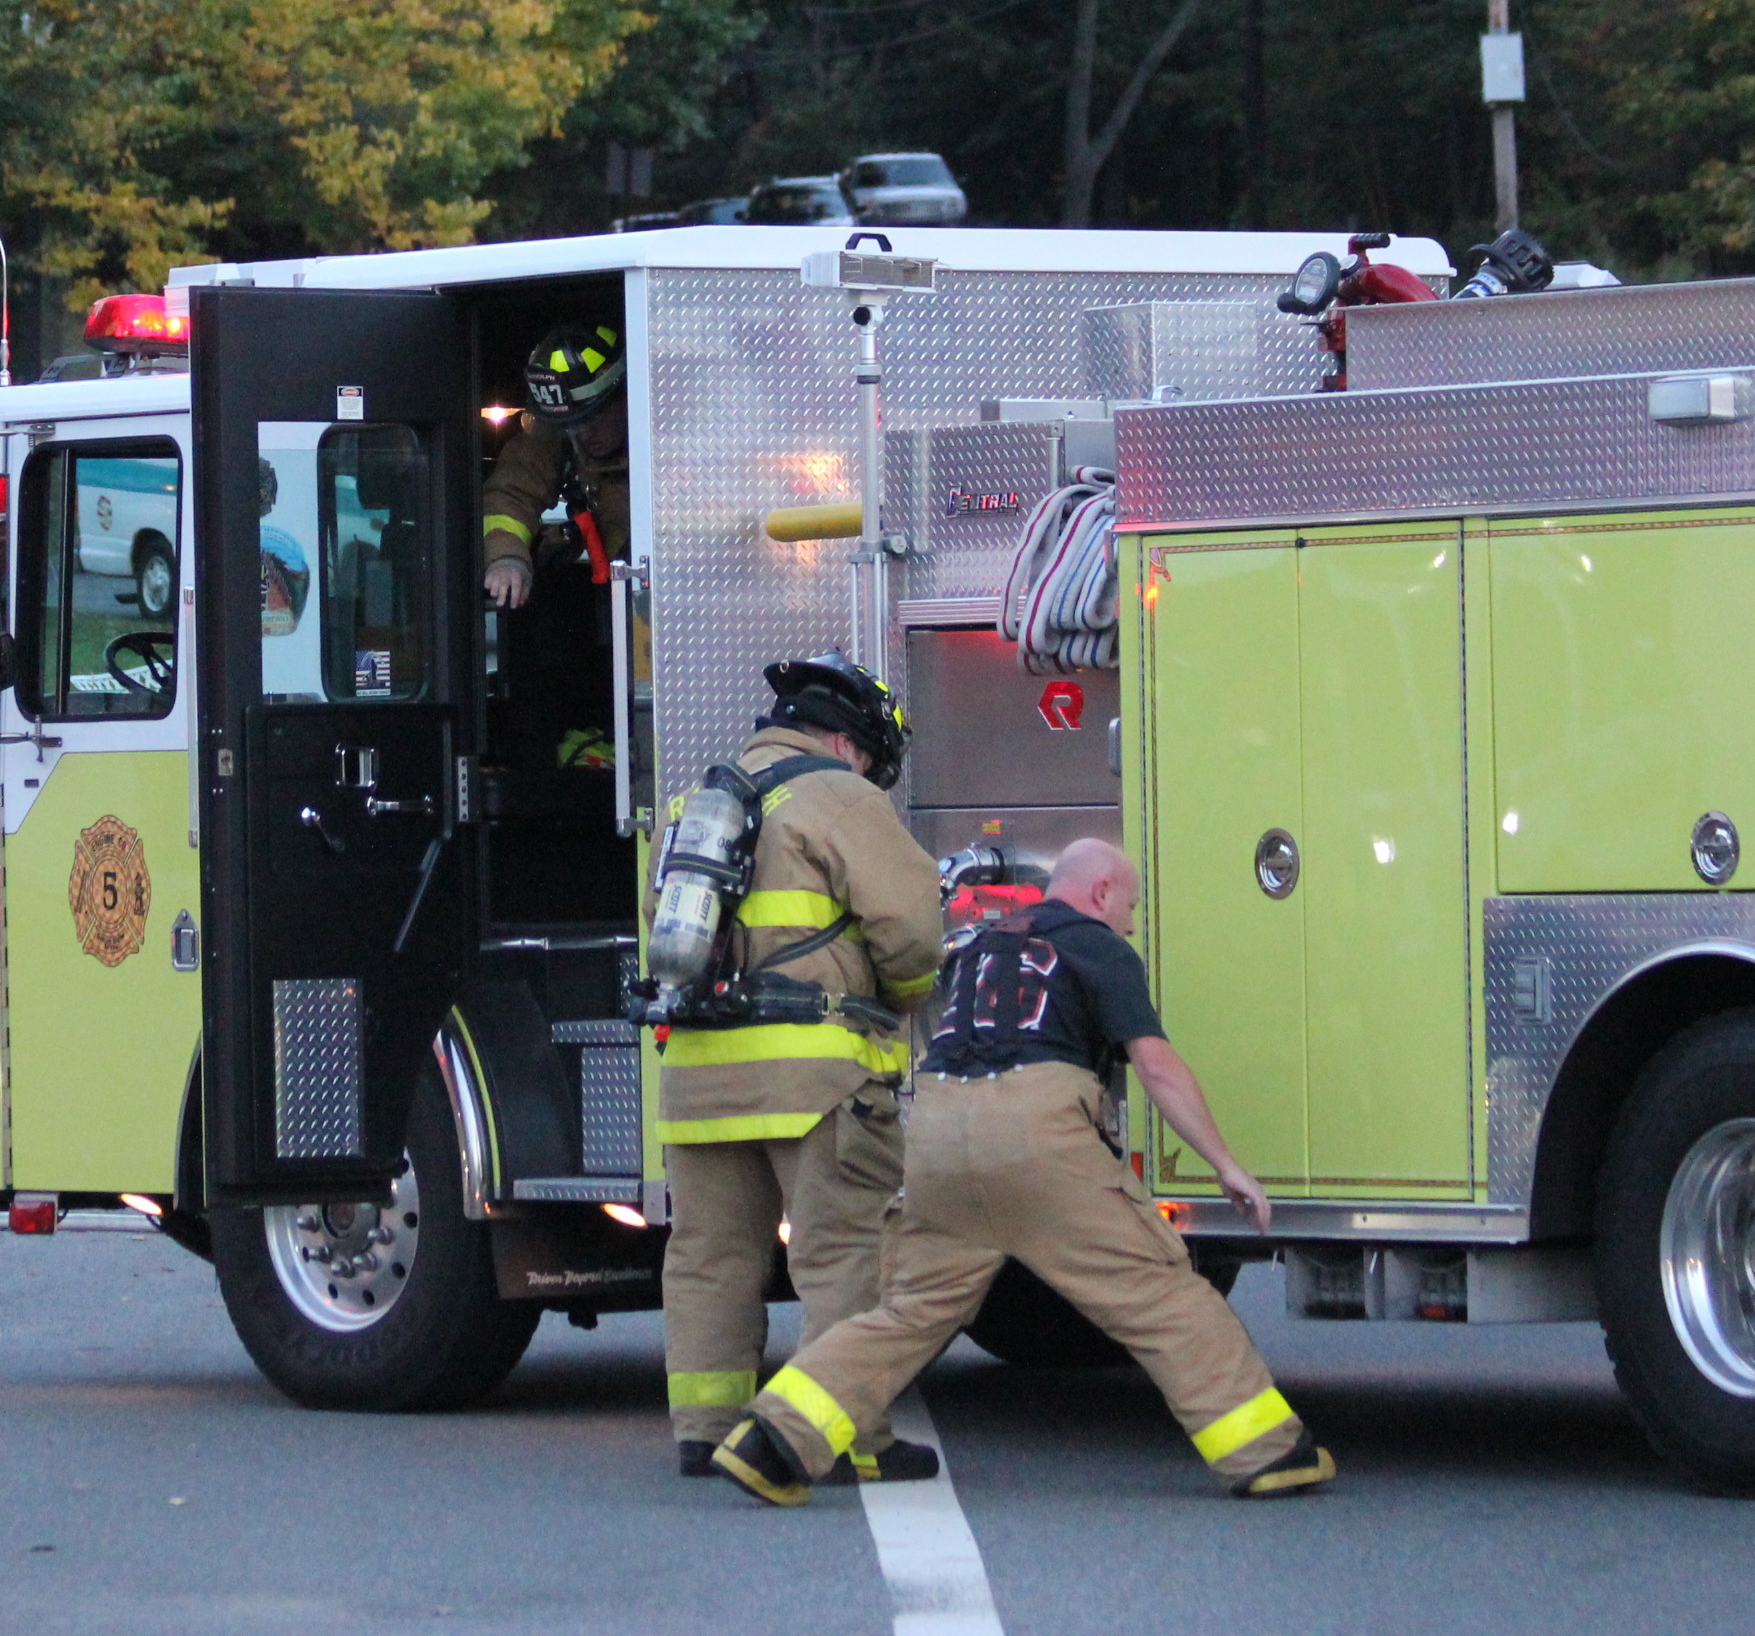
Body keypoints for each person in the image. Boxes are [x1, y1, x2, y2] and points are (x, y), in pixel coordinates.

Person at [710, 837, 1337, 1504]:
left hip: (939, 1131)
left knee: (908, 1313)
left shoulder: (981, 945)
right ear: (1100, 894)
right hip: (1036, 1132)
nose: (1130, 920)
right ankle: (1267, 1453)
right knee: (1159, 1292)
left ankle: (771, 1441)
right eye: (1129, 904)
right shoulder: (1099, 945)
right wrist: (1226, 1165)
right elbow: (1155, 1067)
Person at [660, 651, 947, 1483]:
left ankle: (705, 1429)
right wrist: (904, 997)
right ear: (846, 742)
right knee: (844, 1254)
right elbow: (912, 933)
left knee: (710, 1256)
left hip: (701, 1078)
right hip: (815, 1078)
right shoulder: (841, 798)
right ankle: (846, 1434)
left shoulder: (695, 803)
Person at [482, 323, 630, 611]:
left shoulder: (674, 439)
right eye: (571, 425)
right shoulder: (562, 427)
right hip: (621, 596)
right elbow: (513, 493)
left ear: (623, 397)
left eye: (592, 417)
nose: (584, 433)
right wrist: (507, 558)